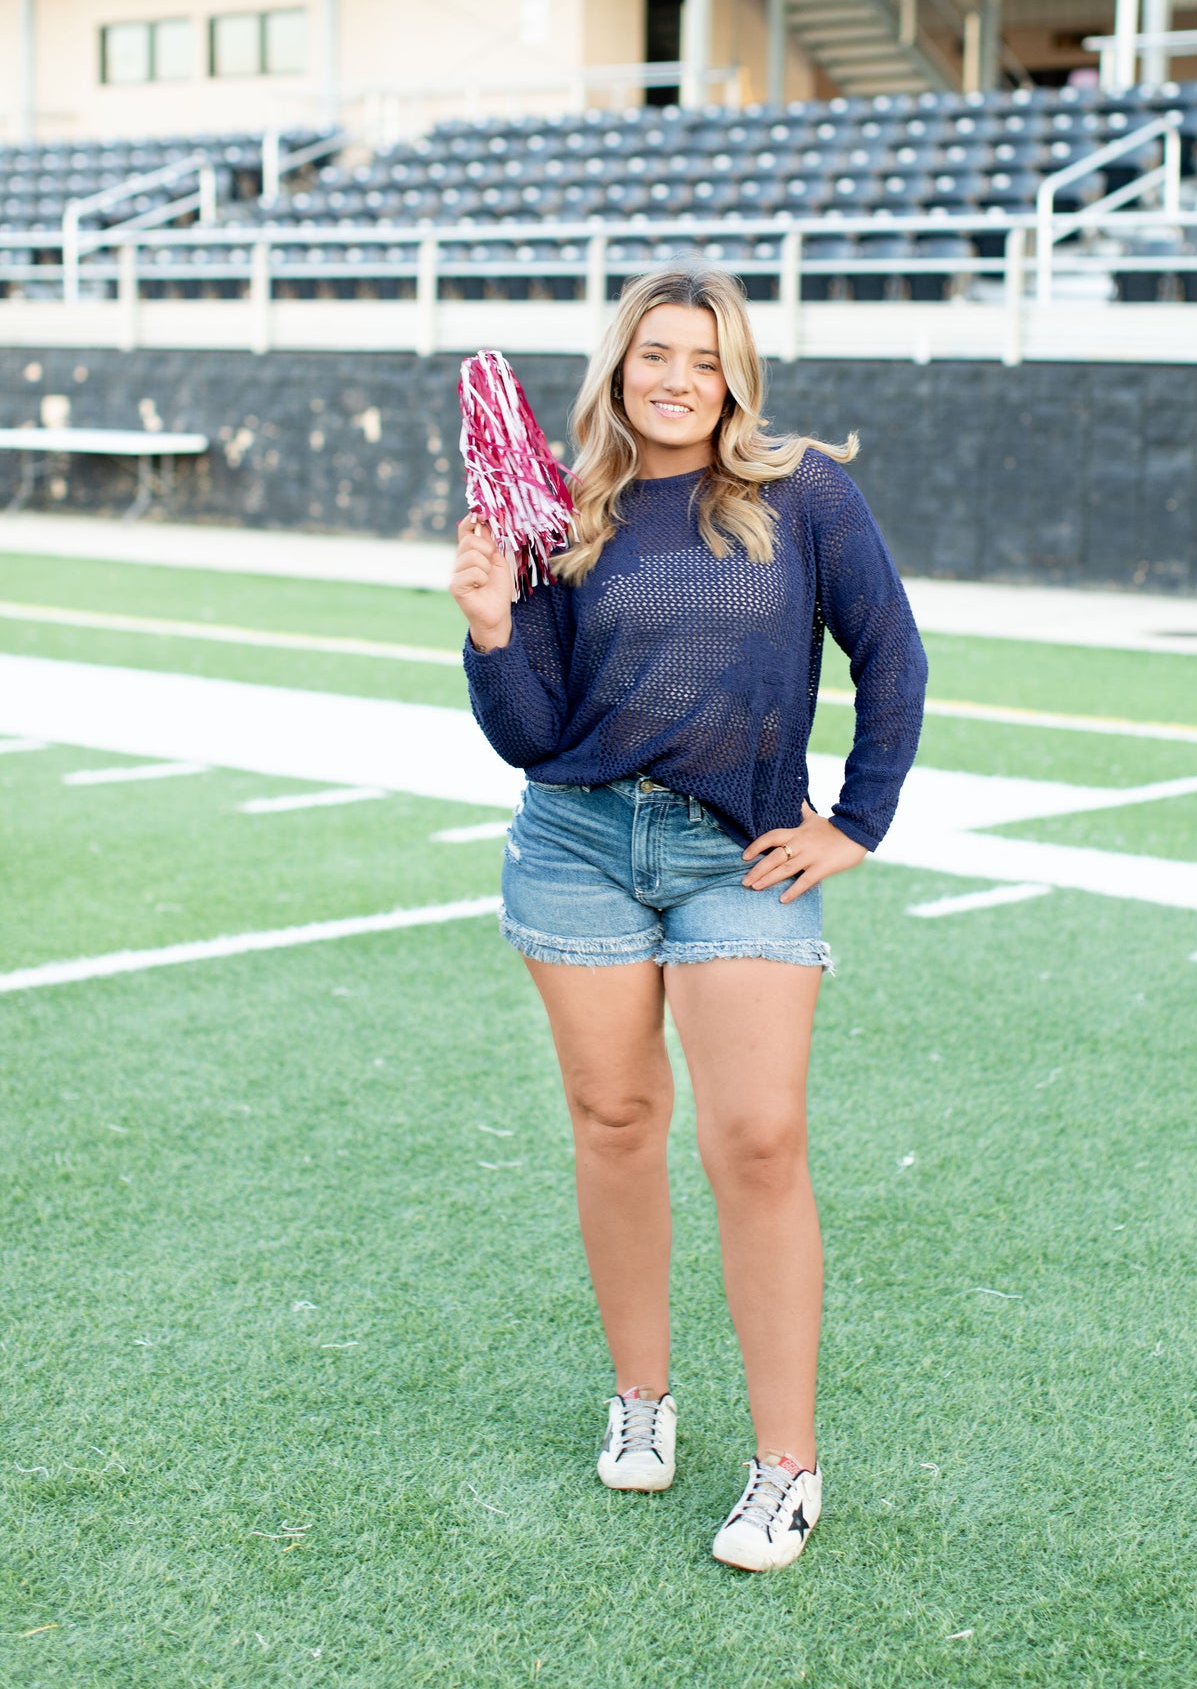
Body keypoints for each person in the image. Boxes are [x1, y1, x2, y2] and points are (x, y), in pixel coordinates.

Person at [449, 265, 927, 1571]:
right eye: (655, 353)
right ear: (618, 367)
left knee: (759, 1140)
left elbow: (889, 652)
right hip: (579, 843)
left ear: (735, 377)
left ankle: (784, 1468)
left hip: (740, 851)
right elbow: (535, 738)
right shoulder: (566, 515)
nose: (676, 379)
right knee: (614, 1122)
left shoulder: (802, 492)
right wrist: (493, 631)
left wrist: (858, 820)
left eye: (704, 360)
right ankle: (642, 1396)